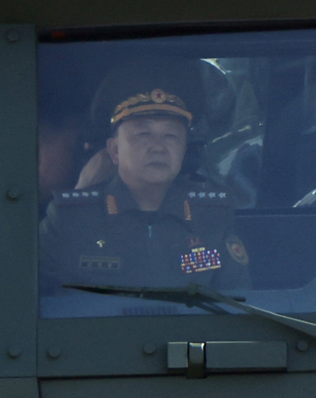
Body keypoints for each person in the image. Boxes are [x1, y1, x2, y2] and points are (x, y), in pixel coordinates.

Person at [39, 63, 252, 295]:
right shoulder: (69, 218)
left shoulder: (212, 216)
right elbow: (35, 305)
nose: (158, 147)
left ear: (184, 149)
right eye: (143, 133)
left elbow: (237, 303)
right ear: (114, 150)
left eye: (171, 135)